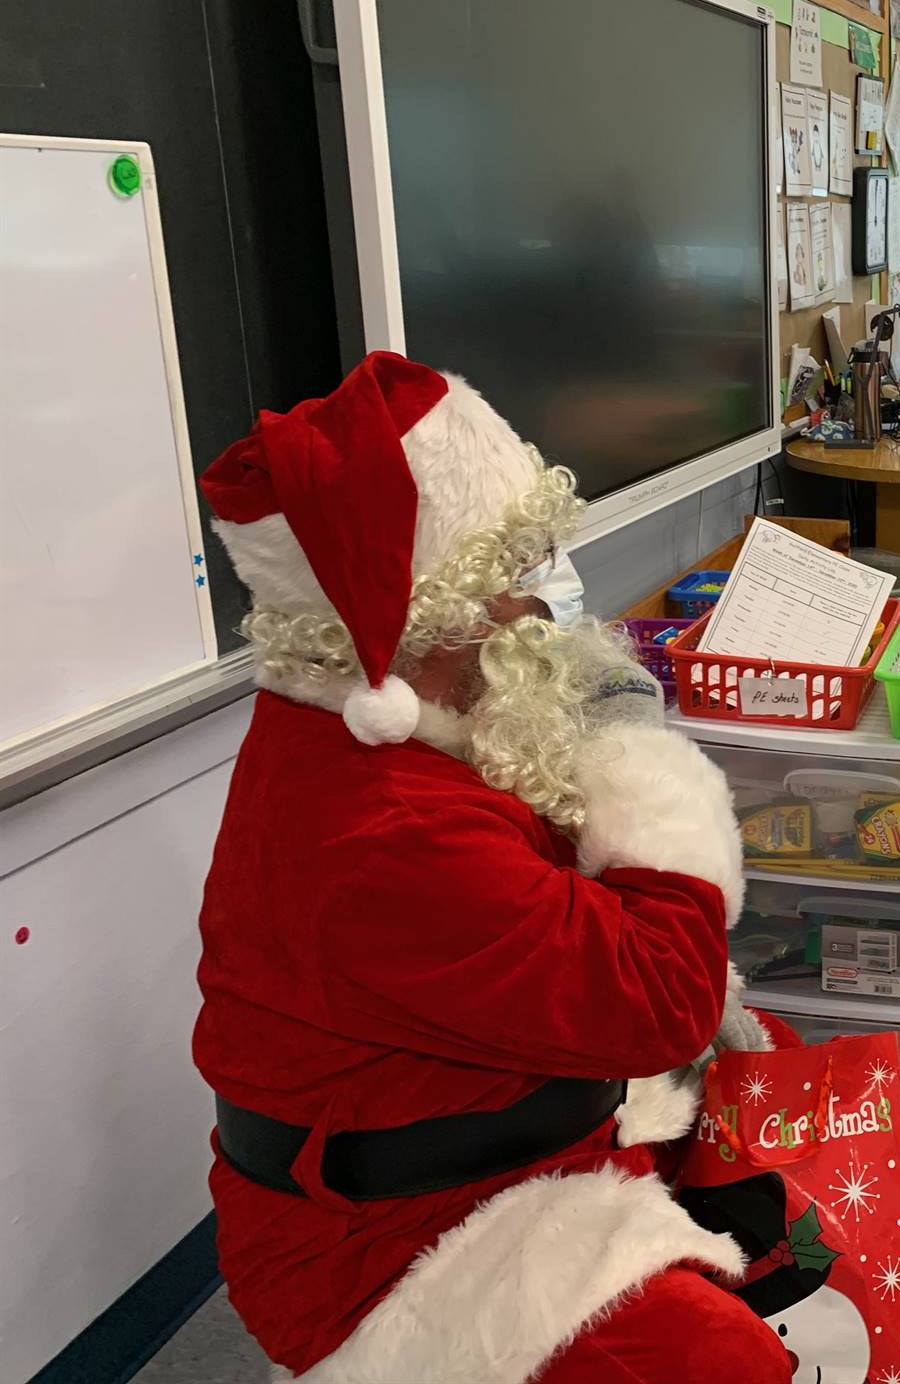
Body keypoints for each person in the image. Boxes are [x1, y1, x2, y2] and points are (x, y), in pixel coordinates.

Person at [193, 352, 793, 1384]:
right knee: (715, 1363)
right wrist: (637, 752)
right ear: (445, 613)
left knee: (777, 1106)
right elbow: (664, 998)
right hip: (394, 1247)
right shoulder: (382, 827)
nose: (536, 610)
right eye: (514, 578)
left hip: (481, 1134)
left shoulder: (369, 728)